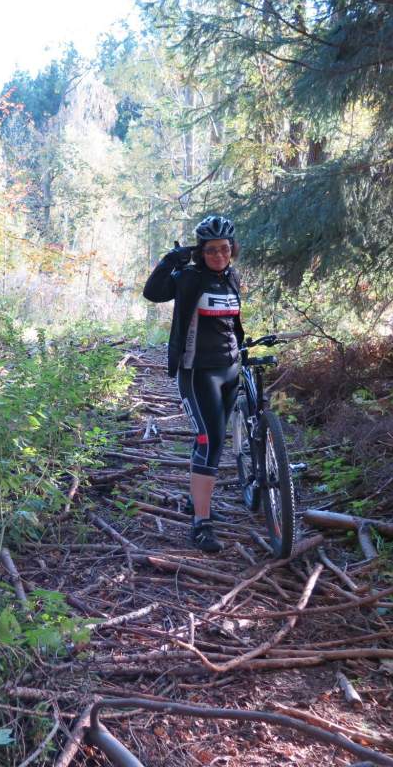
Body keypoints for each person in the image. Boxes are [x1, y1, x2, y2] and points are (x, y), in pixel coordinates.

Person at [142, 215, 243, 553]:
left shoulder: (232, 277)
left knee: (217, 439)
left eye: (224, 248)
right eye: (211, 250)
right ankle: (201, 523)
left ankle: (195, 500)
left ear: (232, 249)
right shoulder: (189, 277)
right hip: (198, 371)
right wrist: (171, 260)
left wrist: (242, 352)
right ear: (201, 251)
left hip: (230, 369)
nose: (219, 255)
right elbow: (153, 292)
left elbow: (231, 323)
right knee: (208, 439)